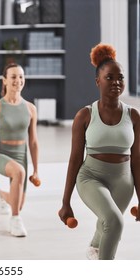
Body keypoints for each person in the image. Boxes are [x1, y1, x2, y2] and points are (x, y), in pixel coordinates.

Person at [58, 43, 140, 260]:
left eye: (120, 77)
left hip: (124, 181)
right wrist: (65, 202)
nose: (116, 82)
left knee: (107, 226)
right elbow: (75, 159)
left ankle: (94, 251)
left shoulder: (134, 116)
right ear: (98, 81)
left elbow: (138, 161)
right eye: (109, 77)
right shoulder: (84, 115)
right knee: (114, 221)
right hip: (91, 177)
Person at [0, 63, 40, 237]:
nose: (18, 80)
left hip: (21, 155)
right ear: (4, 80)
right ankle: (15, 220)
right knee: (18, 172)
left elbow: (33, 141)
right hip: (1, 155)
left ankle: (1, 196)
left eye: (21, 76)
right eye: (13, 77)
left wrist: (36, 170)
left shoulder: (30, 108)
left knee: (18, 201)